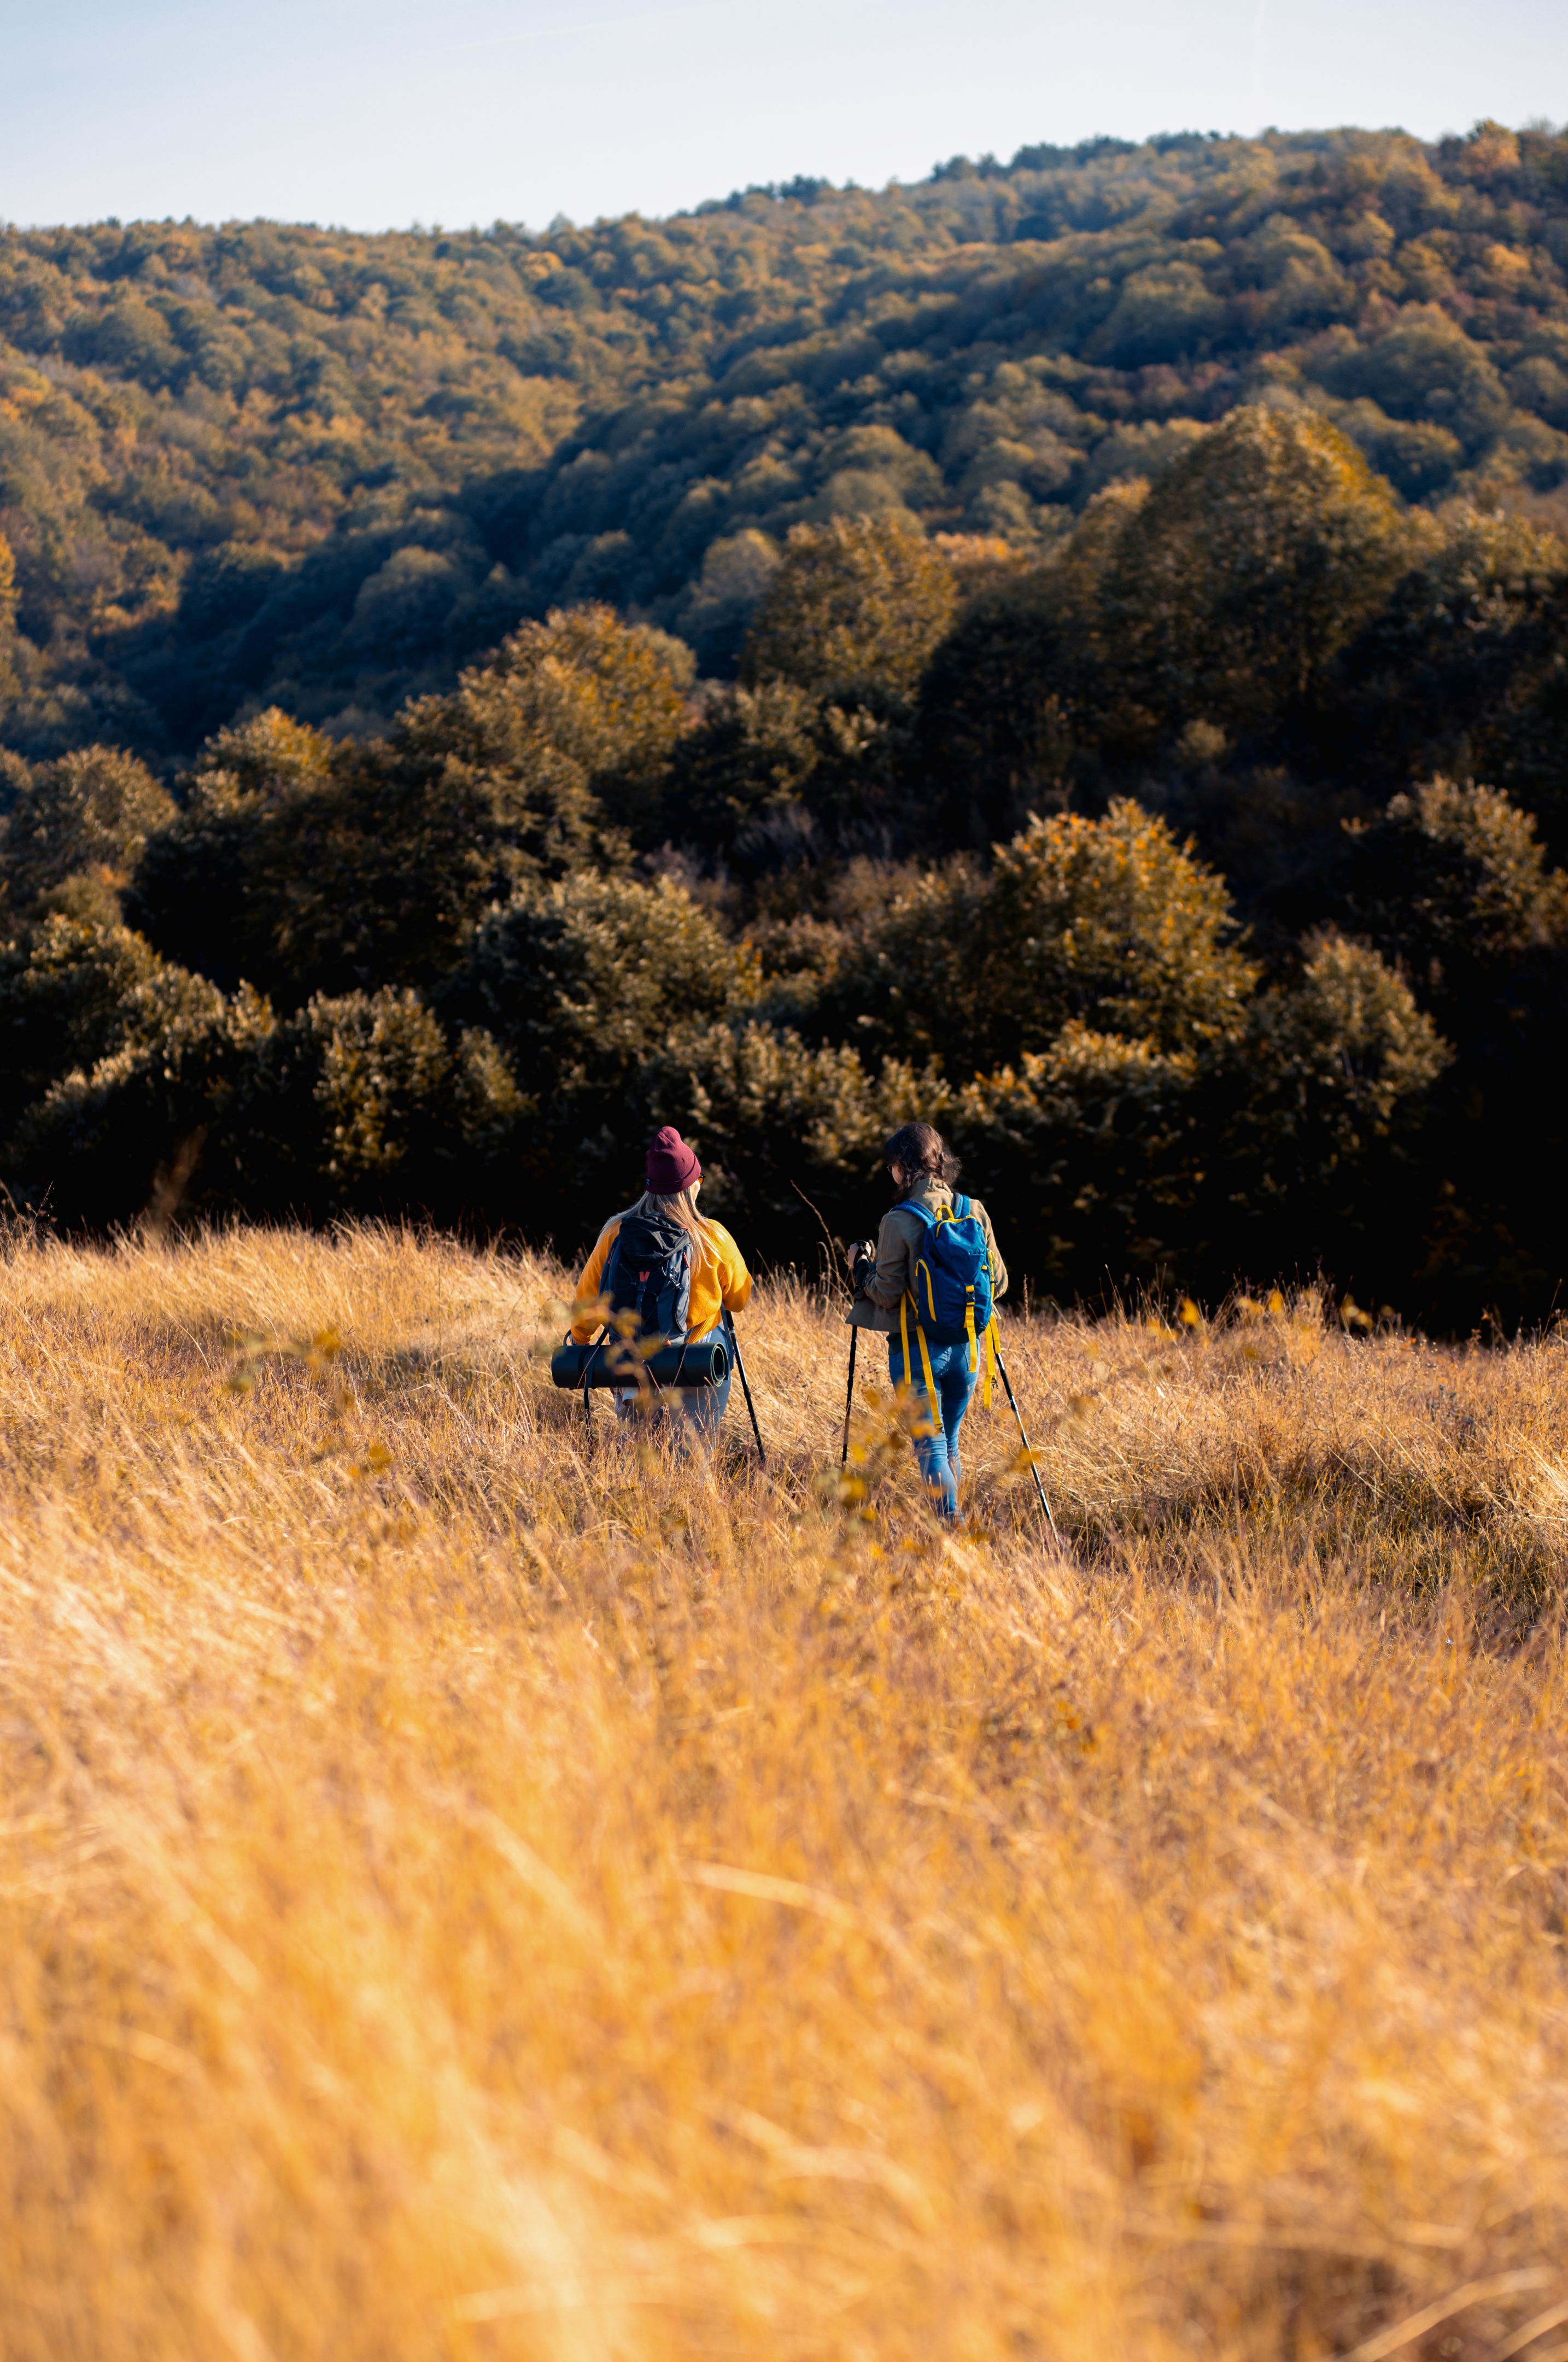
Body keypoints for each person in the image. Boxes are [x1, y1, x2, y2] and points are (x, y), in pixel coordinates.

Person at [845, 1120, 1009, 1522]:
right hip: (968, 1351)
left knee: (930, 1448)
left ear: (904, 1166)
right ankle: (954, 1524)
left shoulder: (898, 1220)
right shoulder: (975, 1210)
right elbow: (1000, 1282)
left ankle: (951, 1529)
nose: (892, 1174)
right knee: (948, 1443)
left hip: (917, 1351)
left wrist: (859, 1266)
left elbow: (885, 1292)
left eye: (892, 1167)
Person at [571, 1125, 751, 1440]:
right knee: (693, 1460)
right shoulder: (713, 1237)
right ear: (692, 1186)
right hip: (695, 1359)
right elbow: (739, 1300)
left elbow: (586, 1307)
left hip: (633, 1362)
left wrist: (581, 1343)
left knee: (639, 1460)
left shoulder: (617, 1231)